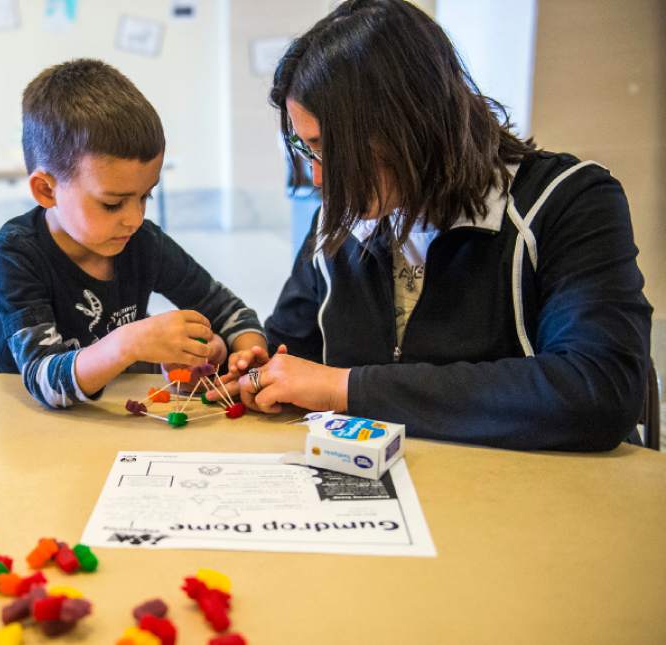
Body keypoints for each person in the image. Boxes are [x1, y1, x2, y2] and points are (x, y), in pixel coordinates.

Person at [217, 0, 651, 451]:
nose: (322, 179)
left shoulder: (568, 200)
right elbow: (295, 348)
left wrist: (346, 388)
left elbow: (598, 390)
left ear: (409, 124)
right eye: (310, 151)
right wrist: (259, 369)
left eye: (332, 149)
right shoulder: (342, 217)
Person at [0, 59, 266, 409]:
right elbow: (44, 382)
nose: (134, 219)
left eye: (145, 196)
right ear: (46, 190)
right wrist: (130, 343)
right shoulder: (16, 253)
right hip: (22, 429)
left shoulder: (143, 243)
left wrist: (244, 360)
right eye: (112, 204)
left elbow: (231, 312)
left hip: (107, 424)